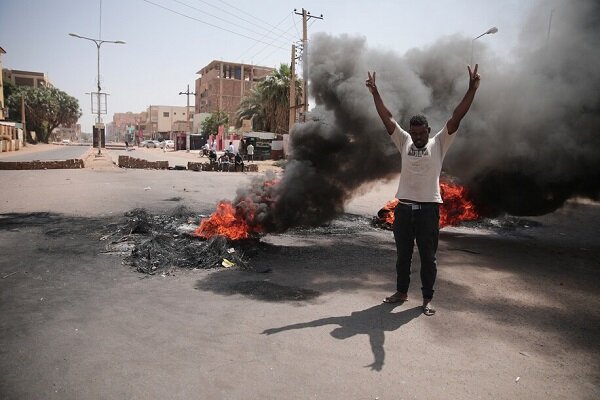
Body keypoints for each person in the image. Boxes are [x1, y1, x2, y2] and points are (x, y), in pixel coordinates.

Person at [366, 64, 481, 316]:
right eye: (414, 132)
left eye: (421, 133)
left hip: (429, 210)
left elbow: (456, 116)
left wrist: (471, 90)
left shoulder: (439, 142)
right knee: (402, 257)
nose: (417, 136)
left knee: (428, 258)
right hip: (404, 210)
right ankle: (401, 292)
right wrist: (375, 93)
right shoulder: (403, 140)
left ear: (428, 131)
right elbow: (387, 118)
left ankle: (427, 298)